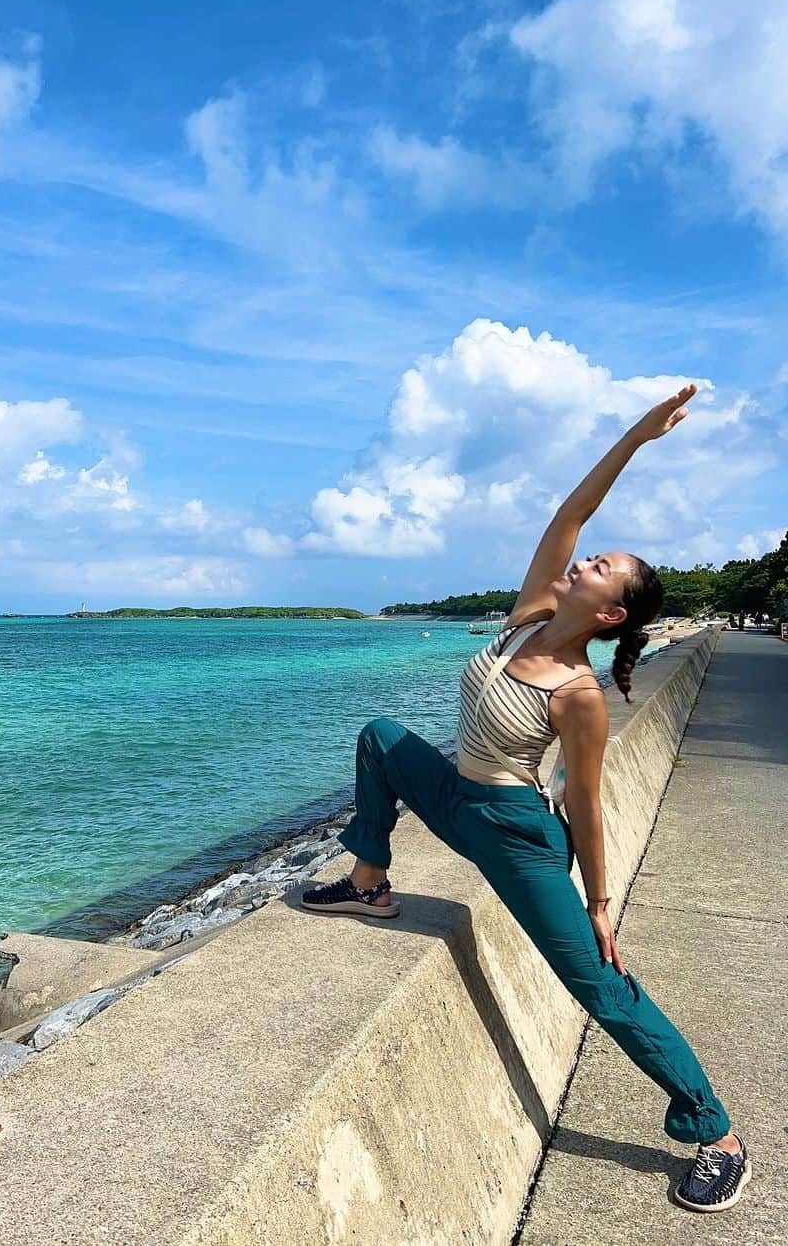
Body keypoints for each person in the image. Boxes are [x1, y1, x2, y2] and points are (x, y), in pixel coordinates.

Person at [302, 384, 751, 1214]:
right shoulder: (526, 614)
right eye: (591, 557)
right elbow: (570, 513)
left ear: (611, 612)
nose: (584, 561)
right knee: (379, 735)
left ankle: (714, 1129)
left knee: (600, 983)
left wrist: (601, 903)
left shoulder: (579, 694)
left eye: (602, 569)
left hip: (515, 835)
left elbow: (585, 800)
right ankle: (369, 884)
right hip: (460, 797)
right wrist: (636, 438)